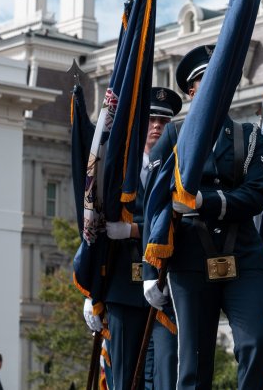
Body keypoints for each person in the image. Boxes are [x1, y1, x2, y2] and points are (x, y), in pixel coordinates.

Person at [143, 44, 263, 390]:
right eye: (206, 80)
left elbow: (256, 195)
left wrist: (203, 199)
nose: (216, 85)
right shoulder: (173, 136)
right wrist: (149, 270)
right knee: (193, 362)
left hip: (241, 255)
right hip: (189, 257)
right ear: (191, 90)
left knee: (255, 344)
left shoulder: (249, 136)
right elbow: (154, 204)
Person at [86, 86, 183, 390]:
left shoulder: (180, 169)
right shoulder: (116, 171)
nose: (156, 126)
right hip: (122, 286)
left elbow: (181, 220)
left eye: (164, 122)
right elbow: (93, 222)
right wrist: (91, 291)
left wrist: (134, 230)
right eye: (151, 119)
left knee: (164, 376)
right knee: (125, 376)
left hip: (167, 283)